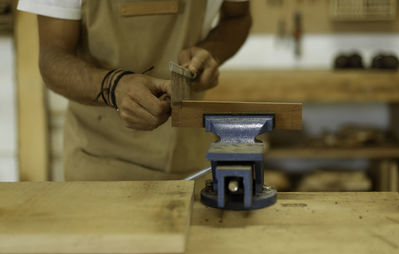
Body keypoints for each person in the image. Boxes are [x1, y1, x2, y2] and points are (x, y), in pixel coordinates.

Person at [18, 0, 252, 181]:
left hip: (191, 161)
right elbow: (52, 58)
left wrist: (210, 51)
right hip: (98, 168)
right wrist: (114, 86)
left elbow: (238, 17)